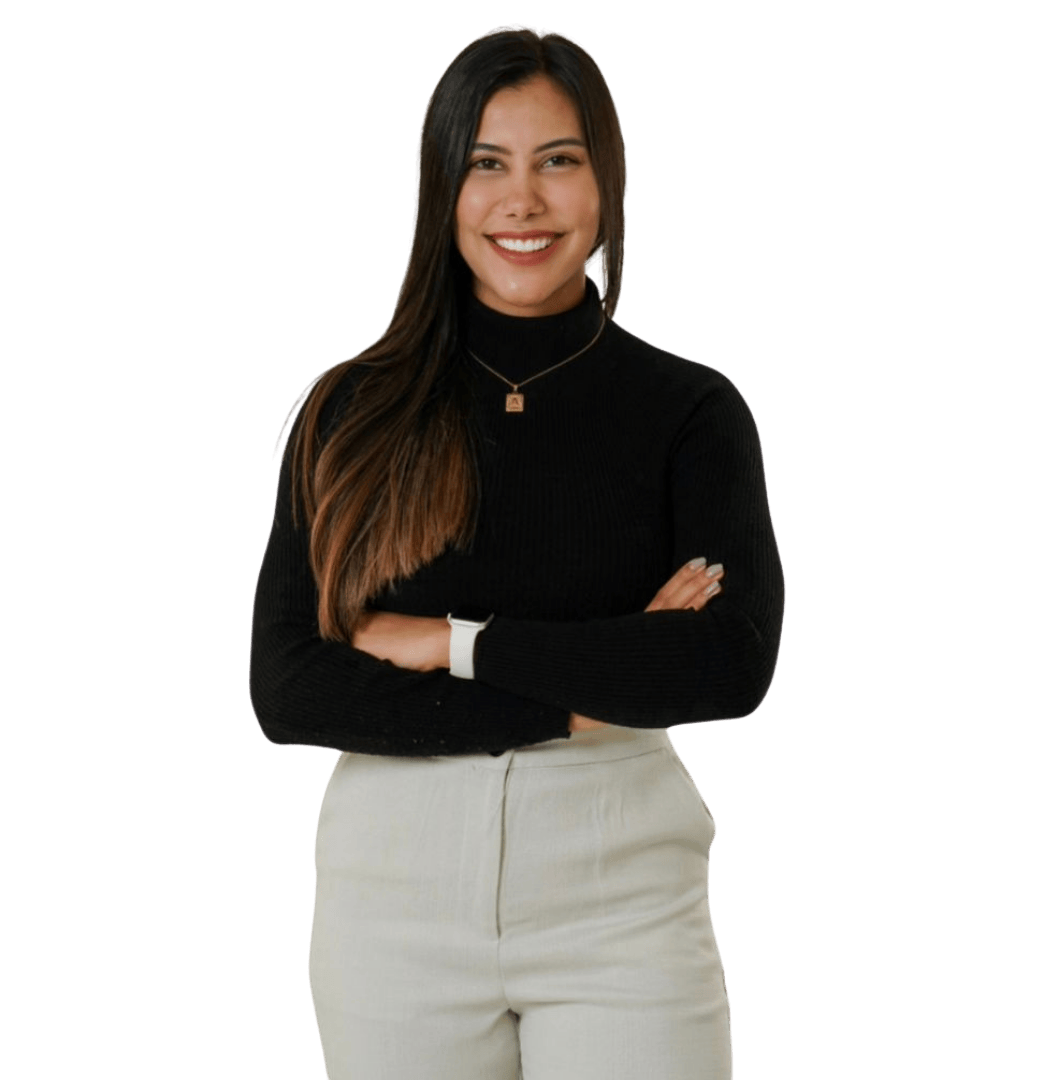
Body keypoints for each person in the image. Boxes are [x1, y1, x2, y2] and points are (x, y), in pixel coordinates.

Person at [249, 23, 784, 1080]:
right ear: (442, 190)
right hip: (392, 897)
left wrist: (449, 644)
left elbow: (728, 666)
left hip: (621, 890)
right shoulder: (352, 412)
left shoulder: (689, 410)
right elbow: (290, 690)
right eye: (486, 164)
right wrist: (603, 675)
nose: (522, 202)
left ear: (607, 183)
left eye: (558, 162)